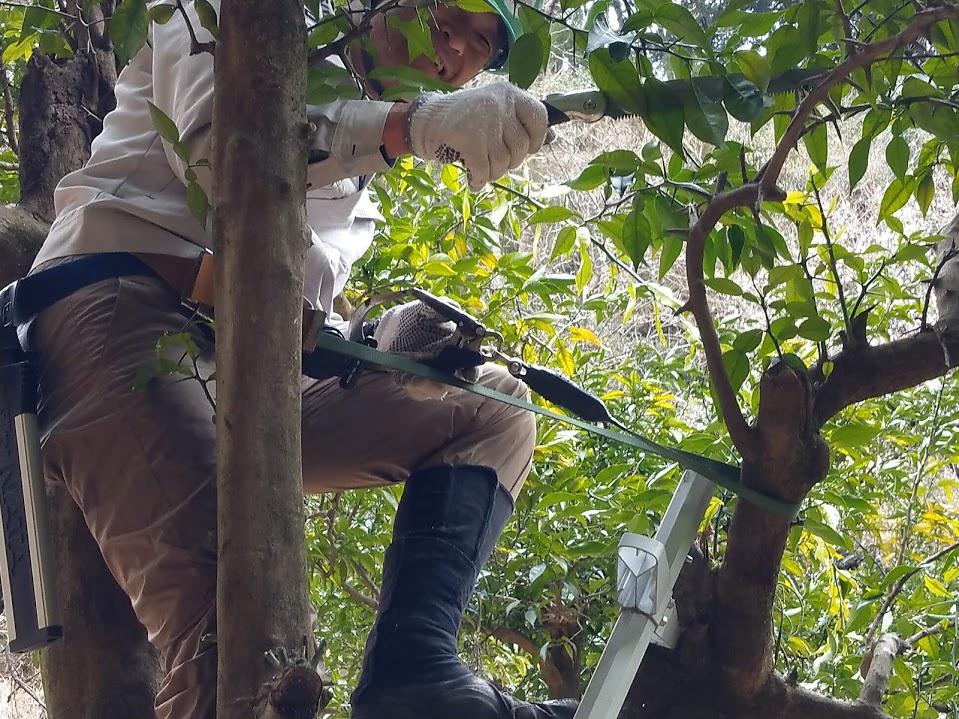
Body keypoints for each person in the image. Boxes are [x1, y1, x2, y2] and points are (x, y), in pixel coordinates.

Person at [24, 0, 577, 718]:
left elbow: (289, 300)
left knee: (491, 407)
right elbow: (224, 155)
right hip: (122, 309)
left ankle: (415, 672)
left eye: (482, 46)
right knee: (240, 635)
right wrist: (412, 128)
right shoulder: (236, 18)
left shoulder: (360, 183)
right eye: (450, 18)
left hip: (251, 373)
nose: (456, 53)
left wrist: (385, 340)